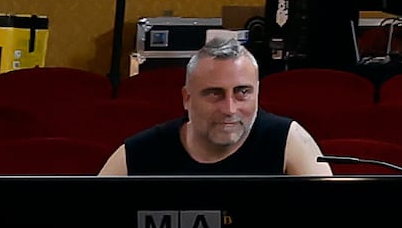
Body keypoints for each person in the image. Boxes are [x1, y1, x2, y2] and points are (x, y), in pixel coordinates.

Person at [102, 38, 330, 178]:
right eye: (214, 93)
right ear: (187, 98)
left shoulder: (289, 141)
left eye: (242, 92)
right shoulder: (141, 152)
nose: (229, 109)